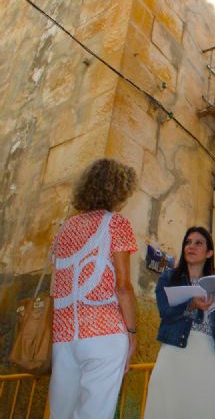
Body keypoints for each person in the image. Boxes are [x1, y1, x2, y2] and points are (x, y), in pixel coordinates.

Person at [49, 158, 138, 419]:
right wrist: (132, 333)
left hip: (64, 337)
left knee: (60, 413)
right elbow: (123, 286)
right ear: (118, 190)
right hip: (105, 334)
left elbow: (58, 286)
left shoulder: (63, 230)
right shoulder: (116, 223)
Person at [144, 227, 215, 419]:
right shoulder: (169, 278)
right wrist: (191, 305)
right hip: (174, 354)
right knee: (167, 409)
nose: (191, 247)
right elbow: (165, 312)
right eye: (188, 242)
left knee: (202, 410)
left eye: (198, 243)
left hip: (206, 357)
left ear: (209, 253)